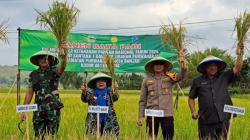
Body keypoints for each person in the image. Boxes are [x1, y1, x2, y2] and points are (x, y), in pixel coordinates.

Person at [188, 55, 243, 139]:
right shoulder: (197, 81)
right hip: (205, 119)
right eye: (210, 65)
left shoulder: (224, 76)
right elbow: (191, 98)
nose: (212, 67)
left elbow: (237, 68)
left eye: (214, 65)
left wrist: (240, 54)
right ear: (205, 67)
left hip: (223, 119)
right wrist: (193, 112)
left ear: (217, 67)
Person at [137, 49, 187, 140]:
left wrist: (182, 62)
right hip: (152, 114)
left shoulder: (170, 77)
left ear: (164, 66)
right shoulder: (146, 80)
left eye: (161, 63)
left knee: (168, 137)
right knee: (151, 137)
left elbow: (182, 75)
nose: (158, 65)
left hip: (167, 114)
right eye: (156, 63)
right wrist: (140, 116)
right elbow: (142, 100)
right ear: (152, 66)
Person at [20, 50, 67, 139]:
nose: (44, 60)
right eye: (41, 58)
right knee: (38, 136)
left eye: (46, 58)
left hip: (52, 109)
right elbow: (30, 93)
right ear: (38, 61)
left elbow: (63, 66)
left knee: (52, 136)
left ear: (49, 60)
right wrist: (24, 110)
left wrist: (64, 57)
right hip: (39, 110)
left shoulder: (54, 71)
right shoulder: (33, 74)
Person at [81, 72, 120, 138]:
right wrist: (84, 92)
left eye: (103, 81)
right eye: (99, 81)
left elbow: (115, 98)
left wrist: (116, 89)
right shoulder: (91, 92)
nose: (101, 83)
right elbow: (84, 99)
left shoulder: (109, 92)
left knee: (109, 136)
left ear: (106, 83)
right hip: (94, 119)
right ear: (95, 83)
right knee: (93, 136)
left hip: (108, 119)